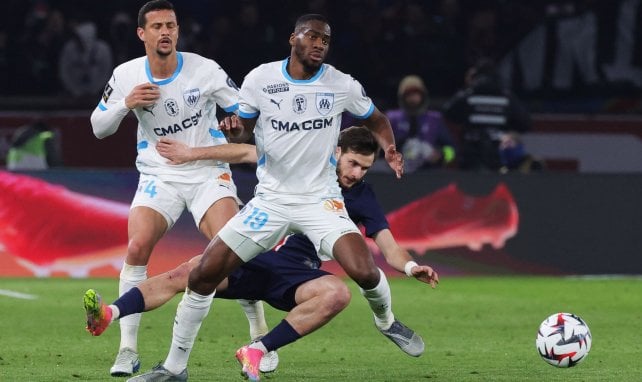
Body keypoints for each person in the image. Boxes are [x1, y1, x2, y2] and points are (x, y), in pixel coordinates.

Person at [135, 14, 409, 382]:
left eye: (325, 40)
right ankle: (174, 367)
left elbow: (375, 118)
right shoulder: (261, 79)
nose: (319, 44)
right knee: (203, 275)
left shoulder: (341, 84)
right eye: (312, 36)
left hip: (319, 200)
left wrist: (389, 147)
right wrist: (234, 131)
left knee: (363, 270)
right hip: (270, 202)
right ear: (293, 38)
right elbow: (243, 132)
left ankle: (388, 322)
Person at [84, 126, 438, 381]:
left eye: (364, 167)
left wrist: (409, 266)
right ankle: (110, 313)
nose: (356, 174)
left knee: (337, 293)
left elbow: (387, 244)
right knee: (186, 274)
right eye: (353, 164)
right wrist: (194, 153)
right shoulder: (299, 164)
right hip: (253, 255)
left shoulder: (361, 196)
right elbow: (243, 151)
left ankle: (259, 348)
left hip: (297, 273)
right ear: (335, 153)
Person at [89, 1, 243, 377]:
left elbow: (243, 111)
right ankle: (127, 350)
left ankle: (257, 337)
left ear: (177, 30)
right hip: (160, 175)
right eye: (156, 26)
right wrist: (126, 104)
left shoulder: (204, 69)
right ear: (142, 34)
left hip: (206, 169)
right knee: (137, 245)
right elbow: (98, 127)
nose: (165, 32)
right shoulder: (126, 76)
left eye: (170, 25)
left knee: (232, 250)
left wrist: (238, 122)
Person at [442, 58, 539, 172]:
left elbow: (448, 112)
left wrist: (468, 86)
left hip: (471, 155)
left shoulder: (469, 95)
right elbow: (526, 123)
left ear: (475, 75)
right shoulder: (506, 97)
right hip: (499, 156)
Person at [386, 75, 456, 172]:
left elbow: (452, 149)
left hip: (429, 173)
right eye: (408, 94)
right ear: (402, 97)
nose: (412, 98)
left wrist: (441, 155)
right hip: (397, 173)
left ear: (423, 96)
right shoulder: (392, 118)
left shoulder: (435, 119)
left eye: (416, 93)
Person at [59, 20, 113, 98]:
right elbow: (64, 71)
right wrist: (75, 90)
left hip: (98, 94)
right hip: (73, 94)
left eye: (79, 37)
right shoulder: (69, 48)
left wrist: (96, 90)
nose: (77, 40)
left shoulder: (103, 49)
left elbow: (107, 72)